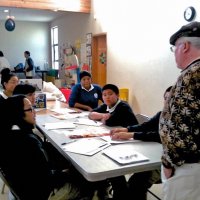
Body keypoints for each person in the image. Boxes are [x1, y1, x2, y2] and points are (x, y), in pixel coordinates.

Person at [0, 95, 95, 200]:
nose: (35, 112)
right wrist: (70, 174)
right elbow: (46, 178)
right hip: (43, 193)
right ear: (17, 113)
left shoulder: (9, 134)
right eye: (30, 109)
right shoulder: (27, 142)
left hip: (24, 188)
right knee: (92, 182)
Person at [159, 21, 200, 200]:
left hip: (186, 166)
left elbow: (180, 125)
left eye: (174, 47)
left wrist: (168, 163)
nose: (174, 52)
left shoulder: (191, 75)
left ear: (184, 46)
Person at [110, 86, 172, 200]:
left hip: (165, 163)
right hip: (152, 155)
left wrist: (131, 135)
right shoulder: (161, 114)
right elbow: (145, 126)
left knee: (136, 183)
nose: (168, 102)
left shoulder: (180, 120)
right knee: (117, 177)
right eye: (165, 98)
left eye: (171, 98)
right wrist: (127, 129)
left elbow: (158, 136)